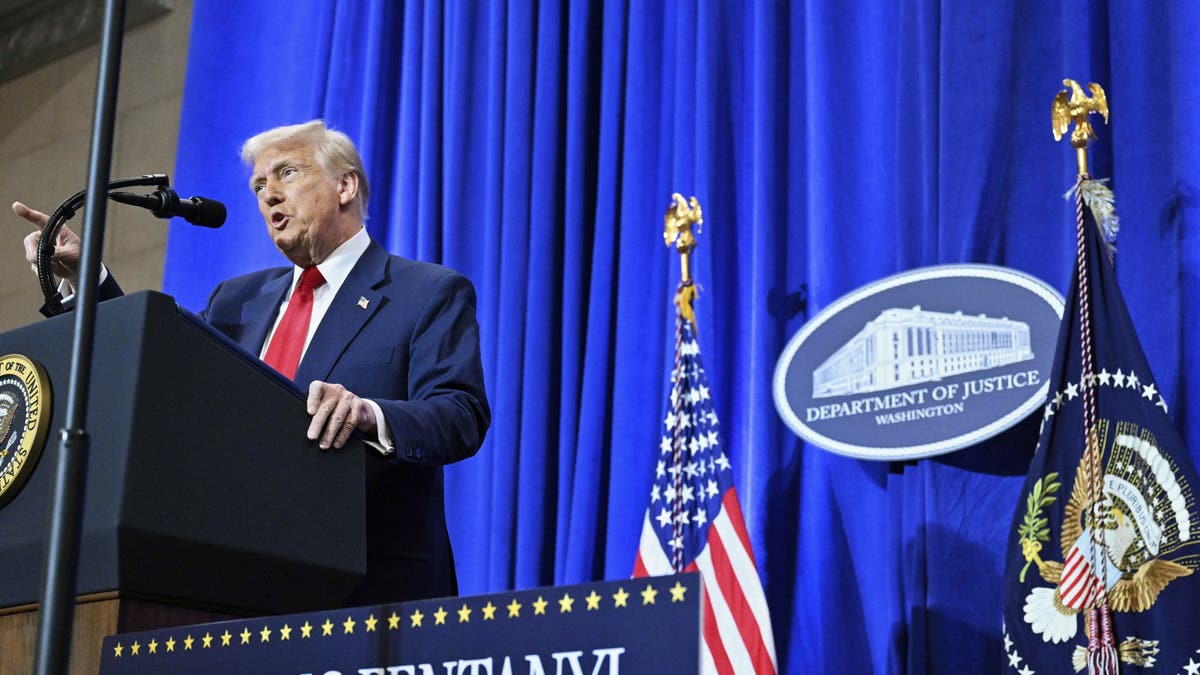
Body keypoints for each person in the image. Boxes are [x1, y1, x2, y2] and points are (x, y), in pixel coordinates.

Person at [12, 120, 490, 604]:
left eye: (287, 173)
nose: (269, 195)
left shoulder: (425, 292)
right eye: (259, 186)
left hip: (369, 588)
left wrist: (370, 413)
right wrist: (87, 280)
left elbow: (460, 414)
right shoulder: (236, 301)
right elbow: (160, 375)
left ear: (345, 186)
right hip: (235, 585)